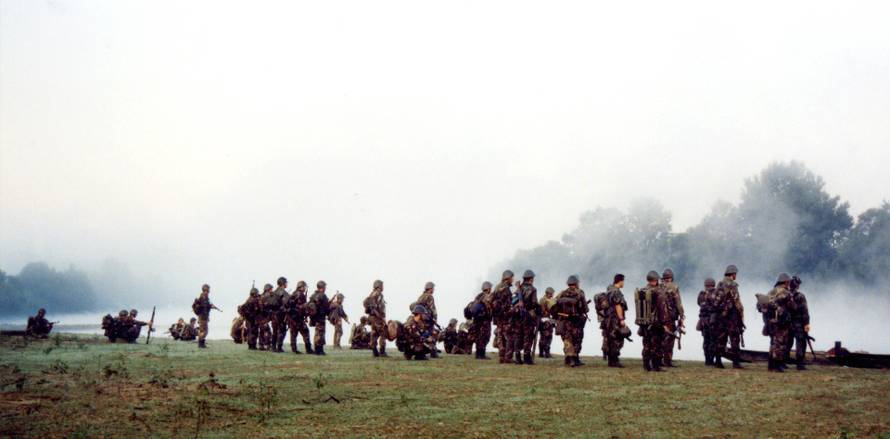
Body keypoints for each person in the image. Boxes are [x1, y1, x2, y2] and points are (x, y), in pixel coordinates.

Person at [635, 271, 670, 372]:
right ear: (655, 280)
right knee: (656, 344)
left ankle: (646, 365)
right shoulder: (658, 292)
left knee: (646, 343)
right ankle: (656, 365)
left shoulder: (643, 291)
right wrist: (664, 323)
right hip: (656, 323)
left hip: (645, 323)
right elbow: (662, 308)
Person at [553, 275, 588, 367]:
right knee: (577, 339)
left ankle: (568, 358)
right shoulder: (580, 293)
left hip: (565, 320)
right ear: (576, 283)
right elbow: (585, 309)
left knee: (567, 339)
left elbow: (554, 304)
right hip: (576, 320)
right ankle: (575, 359)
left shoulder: (562, 293)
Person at [714, 265, 745, 369]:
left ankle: (718, 362)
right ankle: (736, 363)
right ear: (733, 274)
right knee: (734, 339)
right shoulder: (732, 284)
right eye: (735, 274)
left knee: (721, 338)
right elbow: (736, 301)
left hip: (721, 316)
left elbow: (715, 300)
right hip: (731, 316)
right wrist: (741, 313)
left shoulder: (720, 283)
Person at [510, 270, 539, 365]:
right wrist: (538, 307)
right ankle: (527, 358)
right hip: (528, 315)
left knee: (518, 335)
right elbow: (534, 303)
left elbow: (513, 300)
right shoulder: (533, 289)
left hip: (517, 315)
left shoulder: (519, 288)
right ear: (531, 279)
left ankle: (517, 357)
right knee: (528, 336)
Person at [766, 273, 793, 373]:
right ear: (786, 282)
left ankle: (770, 365)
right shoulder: (786, 292)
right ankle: (777, 366)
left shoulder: (771, 291)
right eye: (788, 282)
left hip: (771, 321)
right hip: (781, 322)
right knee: (780, 343)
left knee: (773, 343)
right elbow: (792, 306)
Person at [488, 271, 514, 363]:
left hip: (497, 316)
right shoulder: (506, 288)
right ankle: (508, 357)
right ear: (508, 278)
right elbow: (507, 304)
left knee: (500, 336)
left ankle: (501, 356)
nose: (513, 279)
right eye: (512, 277)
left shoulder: (497, 287)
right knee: (509, 336)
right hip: (505, 316)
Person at [603, 274, 629, 368]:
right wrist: (621, 319)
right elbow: (618, 306)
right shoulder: (616, 292)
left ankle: (611, 360)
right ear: (620, 281)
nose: (623, 283)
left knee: (611, 338)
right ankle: (614, 360)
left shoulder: (609, 290)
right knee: (617, 338)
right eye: (623, 281)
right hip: (615, 319)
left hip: (608, 318)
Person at [660, 269, 685, 367]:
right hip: (670, 317)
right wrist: (681, 315)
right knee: (670, 338)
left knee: (660, 338)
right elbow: (678, 303)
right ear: (671, 277)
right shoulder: (673, 287)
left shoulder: (659, 286)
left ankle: (659, 359)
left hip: (659, 318)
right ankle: (667, 360)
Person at [786, 275, 811, 370]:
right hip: (798, 323)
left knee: (787, 342)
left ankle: (783, 362)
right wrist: (807, 323)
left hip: (787, 322)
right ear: (797, 286)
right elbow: (805, 311)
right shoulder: (800, 296)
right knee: (800, 342)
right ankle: (800, 364)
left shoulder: (785, 294)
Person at [285, 281, 313, 354]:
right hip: (298, 317)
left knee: (293, 334)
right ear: (301, 287)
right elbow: (300, 306)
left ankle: (294, 349)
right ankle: (308, 349)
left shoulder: (293, 293)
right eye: (304, 287)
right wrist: (306, 306)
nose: (305, 288)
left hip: (292, 317)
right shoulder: (300, 295)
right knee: (305, 332)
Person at [468, 281, 493, 360]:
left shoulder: (478, 296)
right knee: (485, 337)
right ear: (488, 288)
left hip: (476, 320)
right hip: (485, 320)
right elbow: (490, 307)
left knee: (478, 337)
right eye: (490, 288)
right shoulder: (488, 296)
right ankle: (482, 355)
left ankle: (478, 354)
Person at [696, 278, 718, 365]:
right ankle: (711, 360)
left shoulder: (701, 294)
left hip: (703, 321)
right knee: (713, 340)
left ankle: (707, 360)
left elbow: (698, 303)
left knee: (706, 340)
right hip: (712, 320)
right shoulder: (714, 294)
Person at [363, 280, 388, 357]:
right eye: (382, 285)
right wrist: (379, 316)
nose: (383, 287)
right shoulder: (378, 294)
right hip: (377, 318)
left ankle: (375, 351)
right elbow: (375, 306)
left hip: (372, 318)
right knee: (383, 333)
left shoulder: (372, 293)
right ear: (379, 286)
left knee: (374, 334)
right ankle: (382, 352)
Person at [265, 277, 290, 353]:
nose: (287, 284)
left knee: (274, 331)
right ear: (283, 283)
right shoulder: (284, 293)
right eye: (286, 282)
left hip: (273, 315)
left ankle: (273, 347)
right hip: (281, 315)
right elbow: (286, 304)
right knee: (282, 331)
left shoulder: (274, 292)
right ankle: (279, 347)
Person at [192, 284, 219, 348]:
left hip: (202, 316)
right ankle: (201, 344)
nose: (209, 291)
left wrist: (211, 306)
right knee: (205, 331)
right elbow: (204, 307)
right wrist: (211, 306)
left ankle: (201, 344)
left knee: (203, 330)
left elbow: (205, 306)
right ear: (206, 289)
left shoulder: (203, 296)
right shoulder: (204, 297)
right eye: (208, 289)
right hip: (203, 317)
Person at [308, 281, 330, 355]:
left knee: (317, 333)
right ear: (322, 287)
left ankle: (317, 349)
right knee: (320, 333)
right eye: (325, 287)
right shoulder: (323, 295)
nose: (325, 288)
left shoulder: (313, 295)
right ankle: (319, 350)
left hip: (314, 317)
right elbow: (327, 307)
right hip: (321, 317)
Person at [538, 288, 556, 359]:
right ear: (548, 293)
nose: (552, 295)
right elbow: (547, 311)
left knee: (542, 337)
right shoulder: (546, 300)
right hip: (546, 320)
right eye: (551, 294)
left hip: (542, 320)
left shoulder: (541, 299)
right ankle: (547, 353)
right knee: (548, 337)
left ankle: (541, 353)